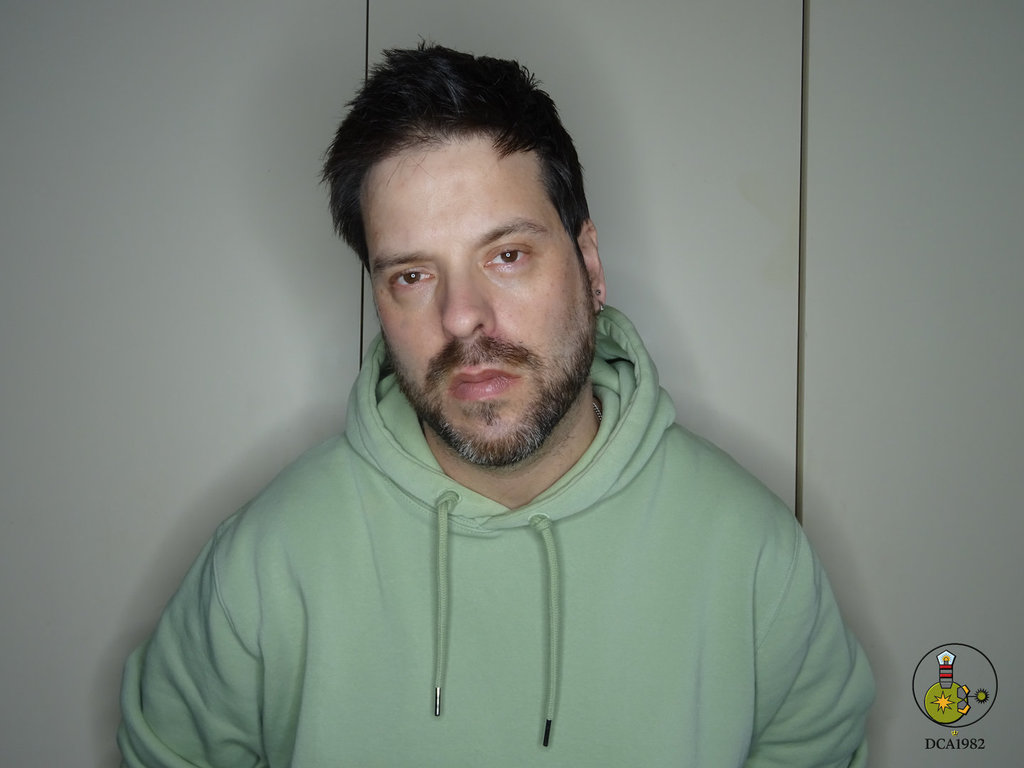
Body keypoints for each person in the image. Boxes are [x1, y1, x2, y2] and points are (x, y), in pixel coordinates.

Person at [118, 44, 874, 767]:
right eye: (412, 276)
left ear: (590, 265)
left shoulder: (755, 555)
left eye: (507, 256)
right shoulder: (263, 562)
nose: (461, 318)